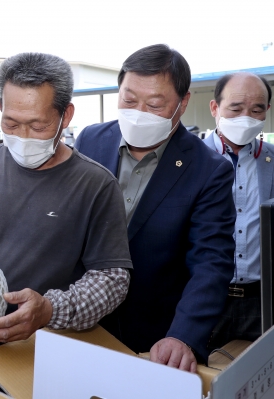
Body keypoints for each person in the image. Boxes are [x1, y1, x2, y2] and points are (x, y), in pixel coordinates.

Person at [0, 52, 132, 386]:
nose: (23, 135)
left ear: (65, 115)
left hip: (55, 363)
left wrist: (51, 310)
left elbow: (112, 278)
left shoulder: (96, 184)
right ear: (0, 107)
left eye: (38, 125)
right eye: (11, 123)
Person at [74, 44, 236, 371]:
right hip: (80, 326)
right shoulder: (91, 140)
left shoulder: (208, 169)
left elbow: (211, 261)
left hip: (156, 339)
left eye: (156, 104)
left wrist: (183, 336)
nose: (139, 113)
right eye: (129, 100)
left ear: (183, 103)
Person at [203, 72, 273, 351]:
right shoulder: (189, 160)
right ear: (214, 108)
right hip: (206, 296)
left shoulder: (271, 160)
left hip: (261, 298)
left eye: (256, 109)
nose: (246, 116)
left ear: (267, 112)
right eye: (235, 107)